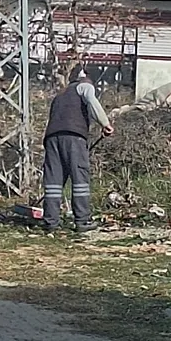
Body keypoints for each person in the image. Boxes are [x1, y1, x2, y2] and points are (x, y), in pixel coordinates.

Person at [42, 66, 115, 234]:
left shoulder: (60, 96)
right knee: (79, 177)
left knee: (53, 181)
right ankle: (82, 220)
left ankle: (50, 222)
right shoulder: (84, 86)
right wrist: (105, 124)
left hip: (52, 138)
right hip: (74, 137)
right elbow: (92, 102)